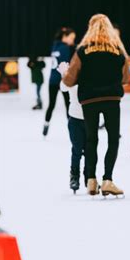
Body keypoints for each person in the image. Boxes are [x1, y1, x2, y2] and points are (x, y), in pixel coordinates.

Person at [61, 14, 130, 197]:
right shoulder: (117, 50)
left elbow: (69, 81)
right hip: (111, 98)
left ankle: (91, 180)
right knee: (113, 138)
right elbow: (125, 78)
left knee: (92, 139)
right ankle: (108, 179)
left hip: (89, 99)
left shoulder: (83, 50)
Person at [57, 63, 86, 193]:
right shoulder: (72, 78)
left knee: (90, 150)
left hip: (91, 119)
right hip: (75, 118)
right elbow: (63, 88)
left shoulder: (91, 77)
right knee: (77, 150)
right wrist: (65, 75)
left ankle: (89, 176)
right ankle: (74, 176)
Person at [43, 27, 75, 136]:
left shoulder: (54, 46)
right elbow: (66, 65)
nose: (72, 41)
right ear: (64, 37)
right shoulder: (65, 48)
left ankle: (46, 124)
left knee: (51, 104)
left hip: (52, 80)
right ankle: (72, 128)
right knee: (68, 105)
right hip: (63, 81)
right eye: (71, 38)